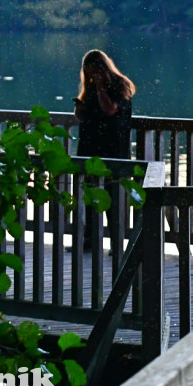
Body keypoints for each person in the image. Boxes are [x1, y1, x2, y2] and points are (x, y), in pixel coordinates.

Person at [72, 49, 135, 252]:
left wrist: (100, 87)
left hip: (113, 150)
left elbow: (110, 110)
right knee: (90, 196)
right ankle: (89, 240)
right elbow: (85, 116)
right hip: (91, 150)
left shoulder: (119, 85)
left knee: (113, 198)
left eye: (93, 73)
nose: (91, 77)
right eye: (88, 74)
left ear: (102, 68)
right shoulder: (90, 88)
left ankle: (117, 243)